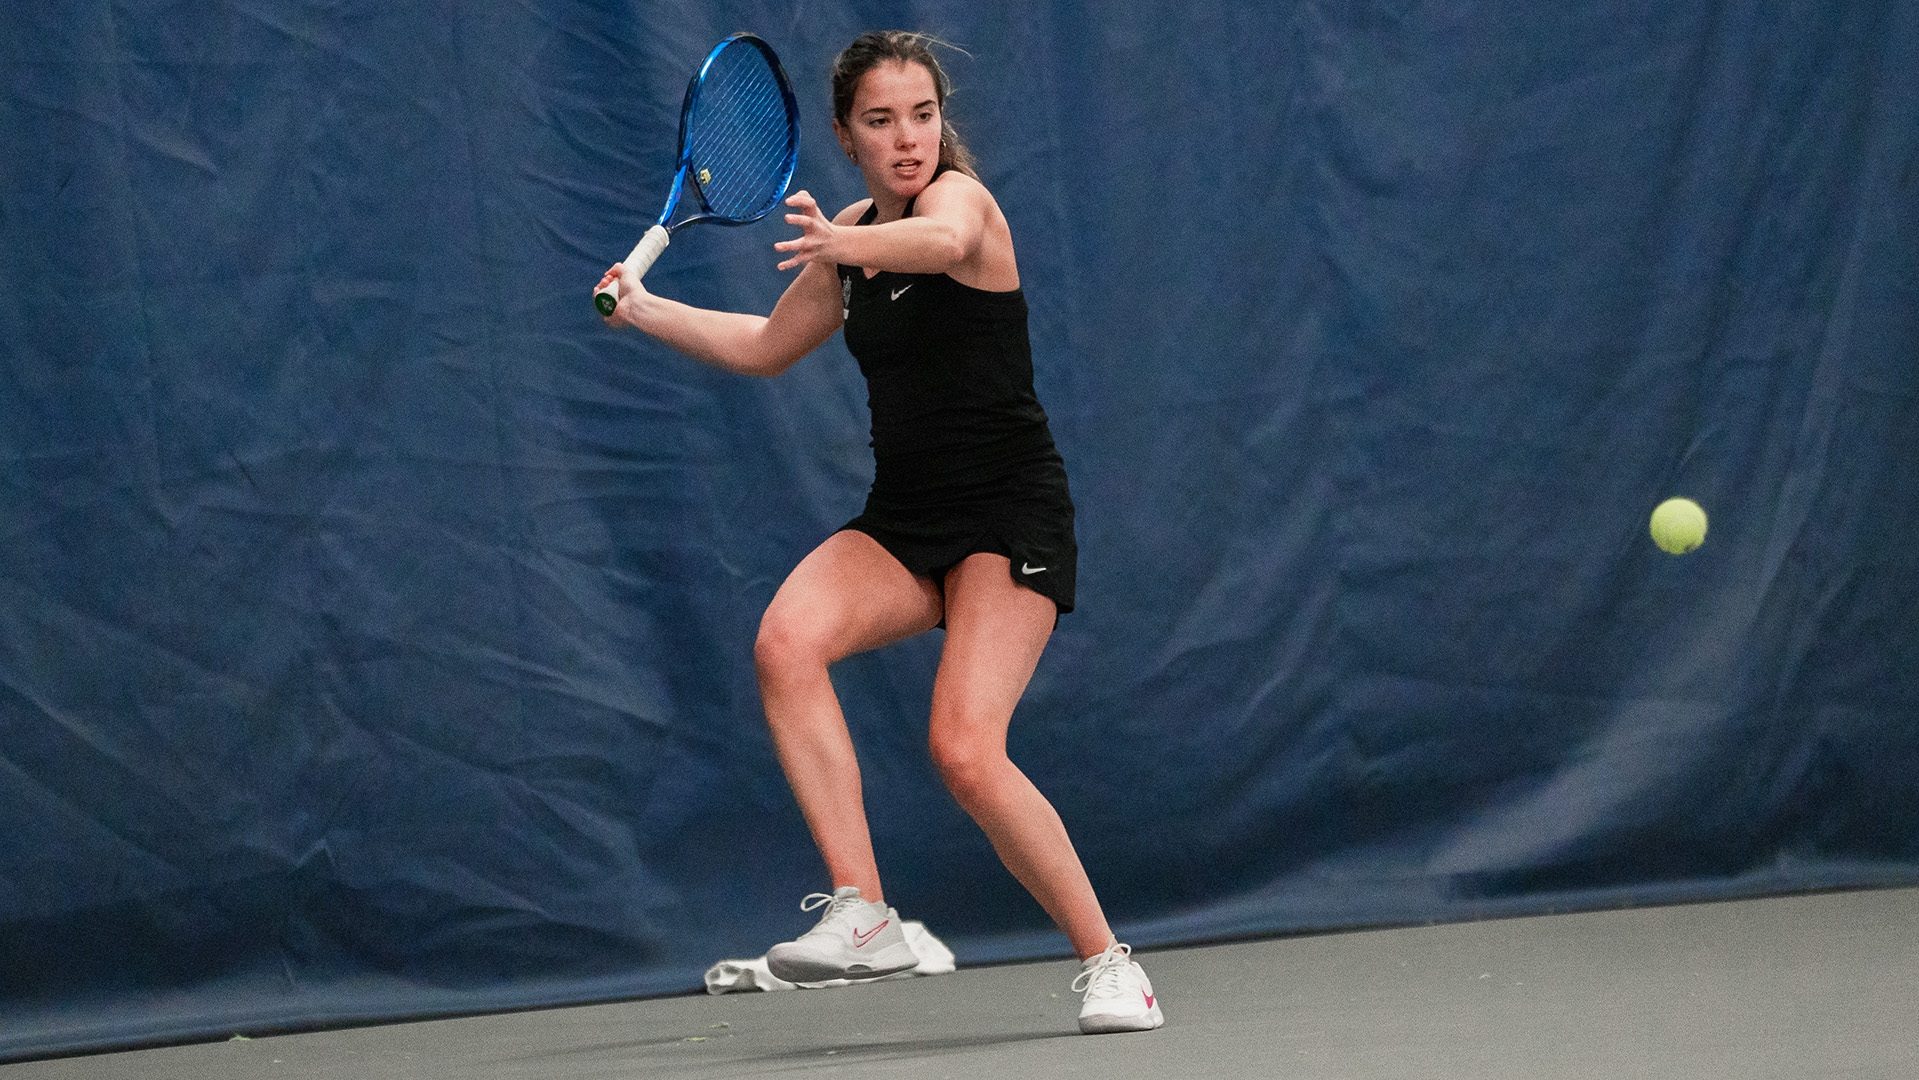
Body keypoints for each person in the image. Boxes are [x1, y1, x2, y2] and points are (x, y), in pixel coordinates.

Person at [596, 30, 1161, 1035]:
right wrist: (645, 311)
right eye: (879, 121)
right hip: (906, 519)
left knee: (964, 751)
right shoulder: (849, 239)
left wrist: (842, 244)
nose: (906, 139)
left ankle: (1111, 963)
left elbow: (938, 246)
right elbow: (767, 345)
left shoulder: (958, 206)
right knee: (785, 641)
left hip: (1007, 512)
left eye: (922, 115)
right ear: (847, 138)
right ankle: (863, 913)